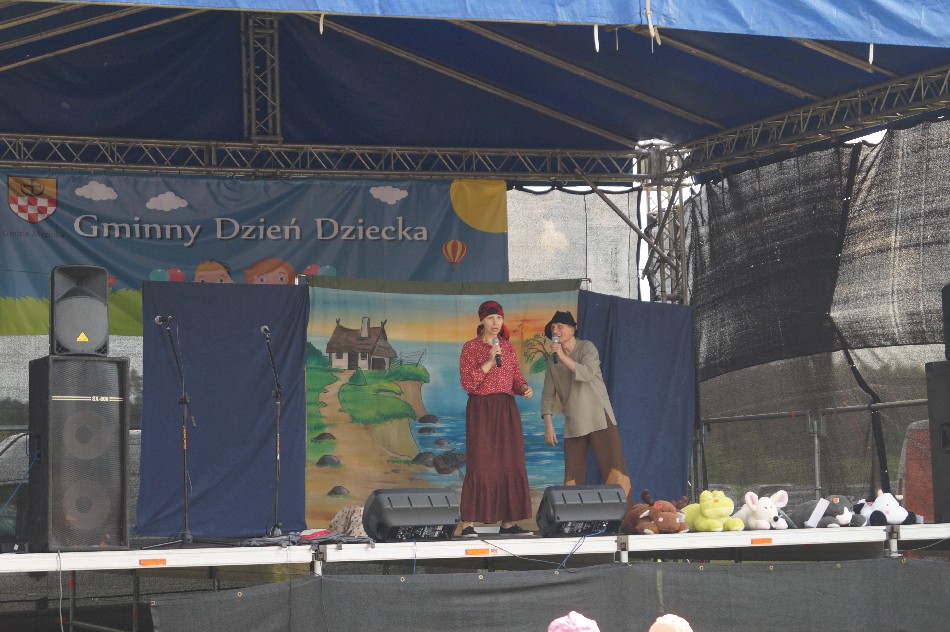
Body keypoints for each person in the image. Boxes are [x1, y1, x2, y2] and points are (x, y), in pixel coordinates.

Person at [458, 300, 534, 536]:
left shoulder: (507, 347)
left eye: (499, 318)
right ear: (482, 320)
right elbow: (468, 383)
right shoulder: (470, 348)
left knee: (510, 462)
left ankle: (507, 524)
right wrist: (490, 361)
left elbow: (516, 377)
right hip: (481, 408)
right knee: (481, 462)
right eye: (491, 318)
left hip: (506, 408)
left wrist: (523, 388)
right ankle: (468, 525)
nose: (495, 322)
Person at [540, 310, 632, 502]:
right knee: (572, 478)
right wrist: (548, 425)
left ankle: (627, 515)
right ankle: (573, 516)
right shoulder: (552, 362)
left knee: (615, 470)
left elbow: (588, 373)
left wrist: (562, 356)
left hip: (598, 417)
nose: (555, 330)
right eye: (553, 327)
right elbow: (548, 395)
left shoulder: (587, 348)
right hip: (574, 420)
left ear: (573, 329)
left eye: (560, 326)